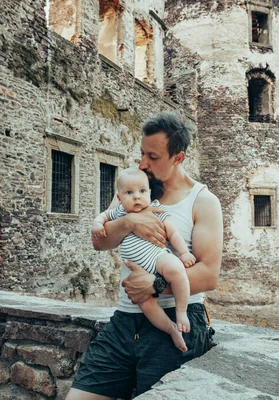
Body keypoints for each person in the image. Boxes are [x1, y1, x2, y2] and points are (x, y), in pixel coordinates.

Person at [66, 111, 223, 400]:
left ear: (178, 157)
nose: (142, 163)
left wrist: (155, 284)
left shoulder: (203, 201)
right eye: (141, 153)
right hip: (125, 320)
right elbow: (100, 243)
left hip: (176, 322)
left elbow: (209, 274)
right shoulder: (134, 188)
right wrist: (128, 222)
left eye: (153, 156)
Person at [91, 167, 196, 352]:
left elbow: (172, 232)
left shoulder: (156, 209)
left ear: (149, 193)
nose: (136, 197)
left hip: (157, 258)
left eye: (141, 192)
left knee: (177, 270)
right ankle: (171, 329)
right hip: (136, 271)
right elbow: (103, 217)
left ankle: (181, 313)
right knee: (148, 306)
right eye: (129, 193)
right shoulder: (120, 212)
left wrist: (184, 252)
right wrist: (97, 224)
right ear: (119, 198)